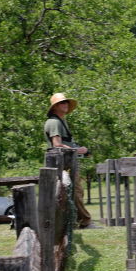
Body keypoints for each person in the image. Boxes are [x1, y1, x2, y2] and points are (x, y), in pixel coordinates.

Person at [44, 92, 92, 229]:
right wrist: (78, 150)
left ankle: (73, 221)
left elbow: (66, 143)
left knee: (73, 192)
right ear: (54, 107)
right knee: (75, 191)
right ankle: (85, 221)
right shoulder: (54, 122)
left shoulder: (61, 121)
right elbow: (57, 145)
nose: (65, 105)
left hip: (67, 161)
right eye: (61, 103)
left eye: (66, 102)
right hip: (62, 163)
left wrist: (81, 150)